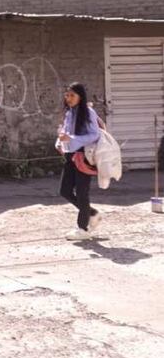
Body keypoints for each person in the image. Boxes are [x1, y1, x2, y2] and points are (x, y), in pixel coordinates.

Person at [56, 82, 103, 241]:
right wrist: (60, 141)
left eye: (72, 95)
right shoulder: (69, 113)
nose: (68, 98)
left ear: (80, 97)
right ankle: (91, 213)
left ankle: (83, 228)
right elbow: (66, 133)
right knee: (65, 191)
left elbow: (94, 135)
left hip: (84, 157)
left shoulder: (88, 112)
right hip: (70, 156)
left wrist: (72, 138)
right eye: (67, 95)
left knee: (82, 193)